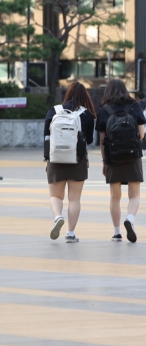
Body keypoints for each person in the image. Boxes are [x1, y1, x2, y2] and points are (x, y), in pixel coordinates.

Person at [45, 82, 96, 243]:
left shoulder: (54, 111)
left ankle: (58, 217)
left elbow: (46, 138)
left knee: (55, 196)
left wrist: (47, 159)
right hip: (77, 160)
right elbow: (89, 140)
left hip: (55, 160)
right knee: (74, 199)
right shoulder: (87, 114)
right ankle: (71, 233)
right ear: (85, 96)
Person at [96, 79, 146, 243]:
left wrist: (104, 161)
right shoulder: (134, 106)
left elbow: (102, 139)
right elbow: (141, 134)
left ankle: (117, 233)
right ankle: (130, 219)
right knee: (134, 194)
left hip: (113, 157)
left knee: (114, 196)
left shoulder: (104, 109)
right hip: (132, 156)